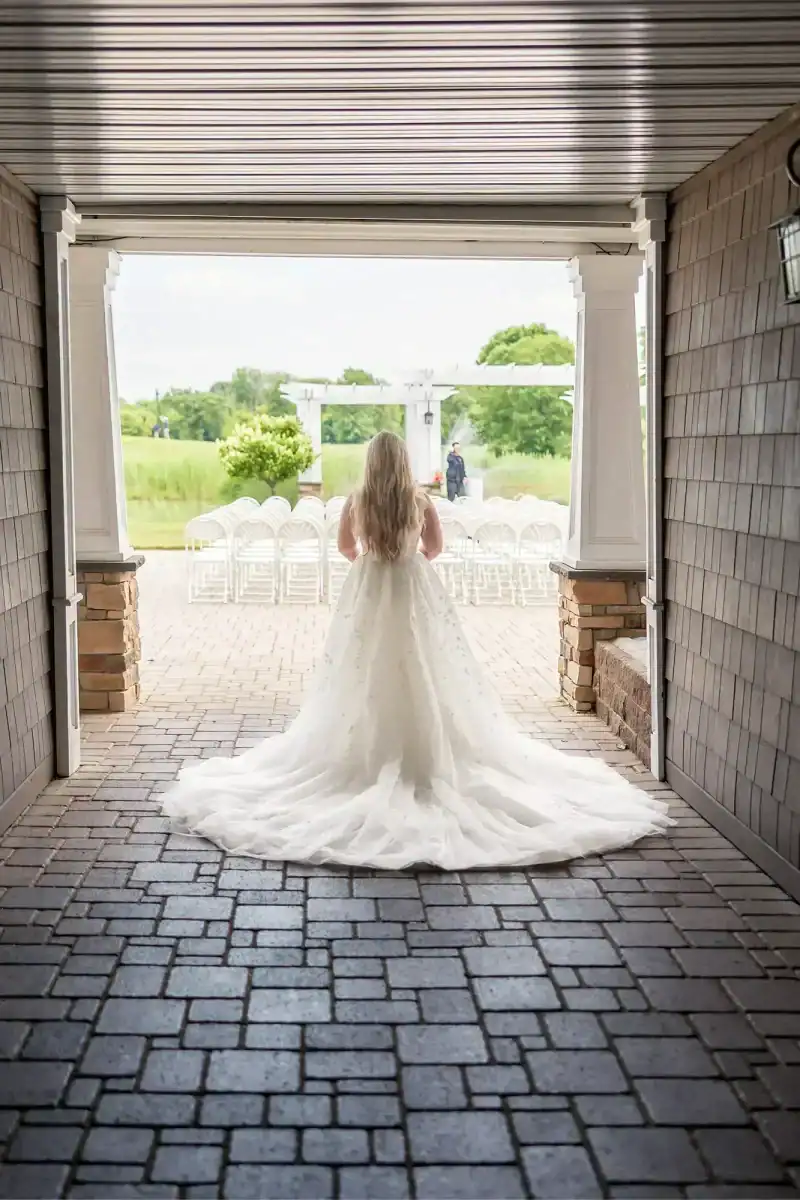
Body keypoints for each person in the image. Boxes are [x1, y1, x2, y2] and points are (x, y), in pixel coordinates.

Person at [162, 431, 671, 870]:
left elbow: (344, 548)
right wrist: (410, 558)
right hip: (412, 583)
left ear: (371, 462)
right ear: (403, 462)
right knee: (426, 663)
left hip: (369, 587)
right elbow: (436, 548)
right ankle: (427, 749)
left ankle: (369, 746)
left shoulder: (357, 501)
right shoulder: (420, 500)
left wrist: (369, 561)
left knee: (365, 668)